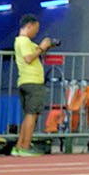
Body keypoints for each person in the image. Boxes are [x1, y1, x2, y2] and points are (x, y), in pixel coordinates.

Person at [11, 14, 55, 158]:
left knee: (28, 116)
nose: (36, 32)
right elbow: (29, 58)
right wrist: (41, 48)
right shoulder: (23, 41)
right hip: (32, 81)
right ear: (29, 26)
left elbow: (35, 53)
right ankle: (25, 146)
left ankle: (19, 146)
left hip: (25, 81)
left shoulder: (24, 42)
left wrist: (44, 48)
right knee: (32, 115)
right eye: (35, 29)